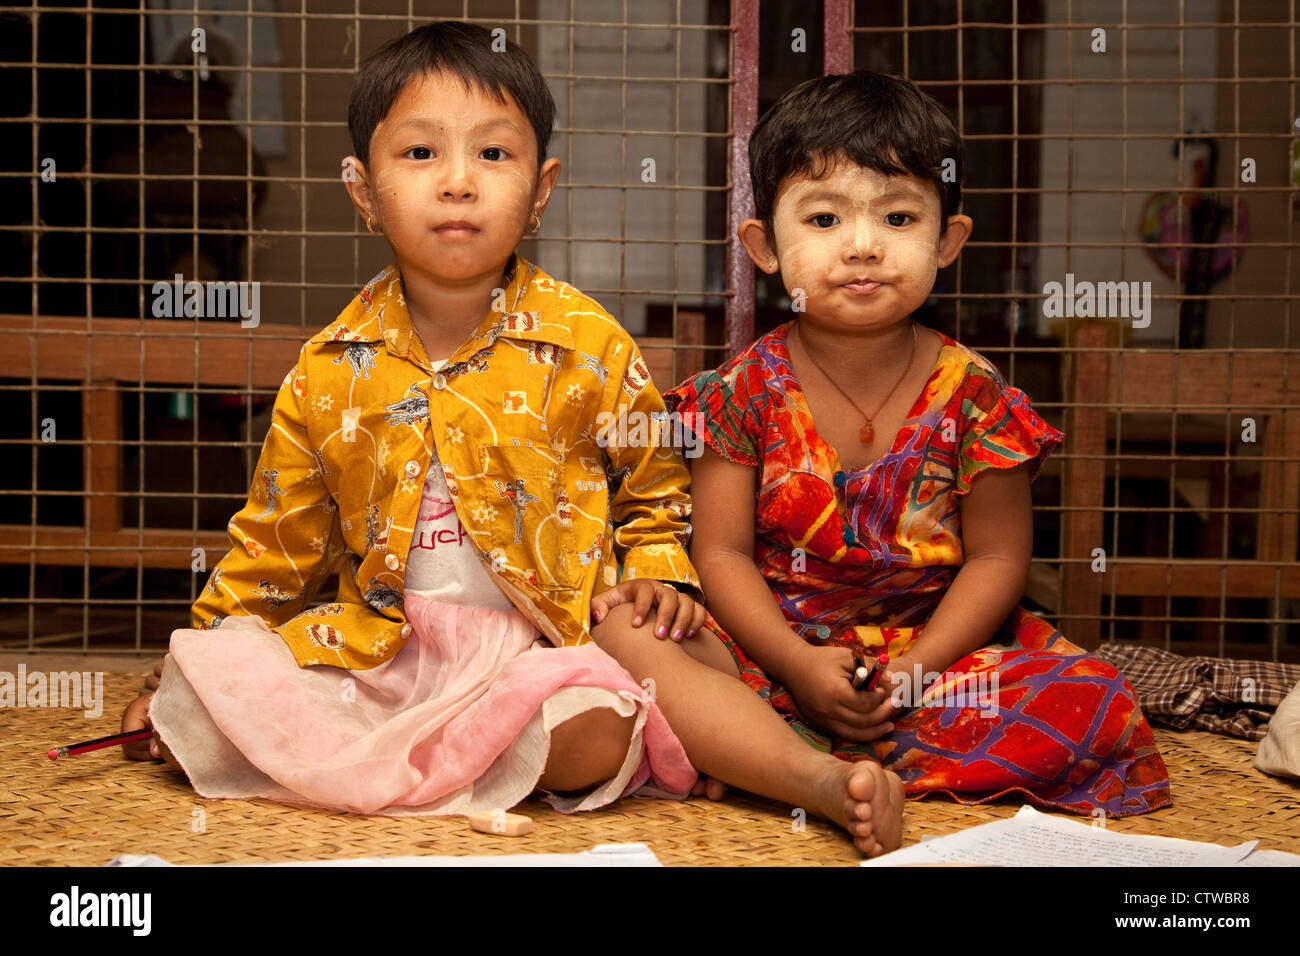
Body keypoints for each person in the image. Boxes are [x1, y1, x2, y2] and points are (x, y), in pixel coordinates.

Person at [118, 23, 906, 855]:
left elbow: (655, 490)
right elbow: (272, 550)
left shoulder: (586, 343)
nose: (458, 183)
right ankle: (433, 756)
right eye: (421, 155)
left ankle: (817, 780)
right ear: (363, 188)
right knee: (218, 688)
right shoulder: (326, 371)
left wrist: (659, 576)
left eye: (493, 156)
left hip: (551, 647)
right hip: (393, 656)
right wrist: (187, 676)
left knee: (599, 719)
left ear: (540, 188)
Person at [646, 71, 1171, 819]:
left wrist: (916, 674)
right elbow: (721, 554)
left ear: (947, 240)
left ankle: (764, 758)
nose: (862, 247)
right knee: (643, 650)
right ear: (764, 247)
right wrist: (798, 666)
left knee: (1092, 700)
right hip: (770, 655)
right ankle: (783, 748)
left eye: (896, 219)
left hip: (932, 659)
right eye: (824, 221)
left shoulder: (977, 394)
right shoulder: (740, 391)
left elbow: (996, 560)